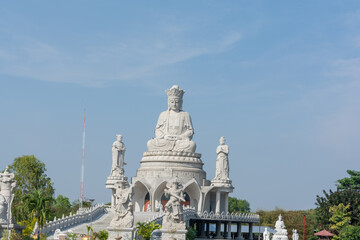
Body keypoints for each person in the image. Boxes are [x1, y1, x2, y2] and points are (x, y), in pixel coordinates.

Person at [147, 85, 196, 153]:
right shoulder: (163, 114)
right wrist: (164, 136)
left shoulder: (185, 115)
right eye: (172, 102)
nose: (174, 104)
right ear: (168, 102)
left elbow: (190, 131)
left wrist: (180, 137)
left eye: (177, 102)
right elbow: (157, 130)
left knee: (192, 145)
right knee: (150, 143)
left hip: (179, 141)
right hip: (165, 140)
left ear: (181, 102)